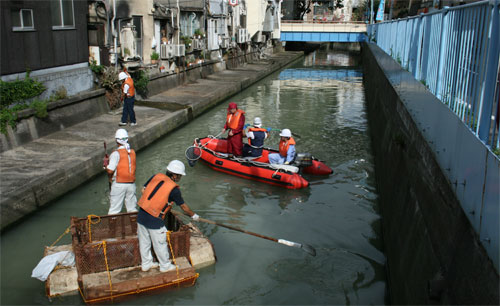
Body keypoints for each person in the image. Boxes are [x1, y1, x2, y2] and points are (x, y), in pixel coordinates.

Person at [137, 160, 200, 272]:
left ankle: (146, 264)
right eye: (179, 176)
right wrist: (194, 215)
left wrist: (158, 202)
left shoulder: (156, 176)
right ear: (174, 175)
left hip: (141, 214)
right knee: (160, 243)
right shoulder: (174, 189)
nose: (180, 178)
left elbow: (143, 190)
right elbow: (184, 207)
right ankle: (165, 266)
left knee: (144, 242)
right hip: (154, 219)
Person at [106, 128, 138, 214]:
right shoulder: (132, 152)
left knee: (114, 210)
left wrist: (106, 166)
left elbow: (110, 171)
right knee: (132, 209)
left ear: (117, 140)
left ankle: (113, 226)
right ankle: (134, 225)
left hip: (119, 184)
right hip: (131, 184)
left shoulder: (116, 154)